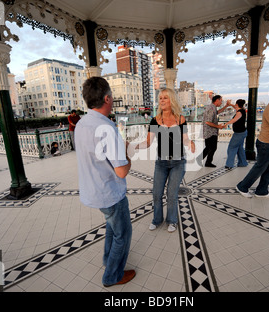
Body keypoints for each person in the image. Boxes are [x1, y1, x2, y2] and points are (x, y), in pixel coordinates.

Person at [75, 76, 135, 287]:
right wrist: (128, 154)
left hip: (94, 191)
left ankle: (107, 260)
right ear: (107, 98)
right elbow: (121, 172)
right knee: (123, 234)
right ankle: (112, 276)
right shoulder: (107, 128)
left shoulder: (82, 124)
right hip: (110, 193)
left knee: (111, 227)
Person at [132, 88, 195, 233]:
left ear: (171, 100)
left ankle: (172, 221)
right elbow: (148, 142)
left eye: (165, 98)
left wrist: (190, 143)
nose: (162, 100)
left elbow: (185, 139)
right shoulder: (155, 120)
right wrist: (133, 146)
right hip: (161, 162)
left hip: (178, 162)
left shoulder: (180, 119)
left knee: (171, 194)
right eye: (160, 98)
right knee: (156, 193)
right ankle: (157, 219)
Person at [196, 95, 228, 167]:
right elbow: (208, 122)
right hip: (210, 132)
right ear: (216, 100)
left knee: (209, 147)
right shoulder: (211, 108)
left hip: (210, 131)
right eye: (220, 100)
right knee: (212, 147)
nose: (221, 102)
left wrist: (226, 106)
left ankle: (203, 160)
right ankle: (205, 161)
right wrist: (218, 126)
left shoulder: (212, 107)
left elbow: (217, 112)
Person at [222, 99, 248, 169]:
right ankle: (243, 163)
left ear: (237, 104)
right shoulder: (242, 109)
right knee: (239, 148)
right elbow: (235, 107)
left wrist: (226, 124)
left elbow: (234, 120)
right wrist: (230, 104)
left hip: (239, 134)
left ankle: (229, 165)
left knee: (231, 147)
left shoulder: (239, 112)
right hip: (242, 132)